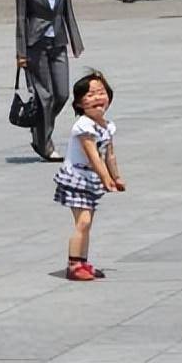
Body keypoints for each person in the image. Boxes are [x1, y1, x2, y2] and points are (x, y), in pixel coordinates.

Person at [15, 0, 84, 161]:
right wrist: (21, 53)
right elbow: (21, 19)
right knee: (45, 96)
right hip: (36, 44)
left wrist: (75, 41)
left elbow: (68, 12)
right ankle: (45, 143)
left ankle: (39, 130)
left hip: (58, 42)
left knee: (62, 94)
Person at [53, 71, 125, 282]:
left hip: (90, 179)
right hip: (76, 177)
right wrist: (106, 179)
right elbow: (93, 155)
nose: (97, 98)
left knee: (86, 222)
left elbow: (109, 155)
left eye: (101, 93)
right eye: (90, 95)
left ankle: (82, 262)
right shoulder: (83, 126)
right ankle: (74, 265)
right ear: (79, 103)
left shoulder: (107, 126)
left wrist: (116, 177)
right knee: (83, 222)